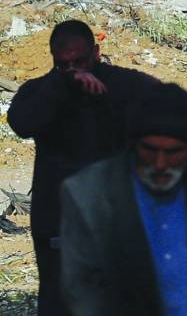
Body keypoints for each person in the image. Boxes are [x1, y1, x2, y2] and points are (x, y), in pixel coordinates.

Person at [59, 83, 187, 315]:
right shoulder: (88, 193)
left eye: (173, 152)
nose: (160, 164)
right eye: (150, 150)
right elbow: (83, 288)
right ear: (133, 145)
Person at [7, 20, 161, 316]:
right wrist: (62, 84)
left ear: (96, 53)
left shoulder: (123, 84)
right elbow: (21, 122)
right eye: (64, 64)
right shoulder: (42, 90)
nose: (74, 69)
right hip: (58, 219)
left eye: (80, 61)